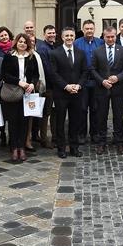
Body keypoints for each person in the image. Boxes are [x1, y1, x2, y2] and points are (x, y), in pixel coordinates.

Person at [90, 26, 123, 154]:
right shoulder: (97, 51)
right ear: (103, 37)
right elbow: (92, 69)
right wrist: (102, 81)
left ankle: (119, 141)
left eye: (112, 36)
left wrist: (118, 77)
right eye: (107, 37)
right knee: (101, 116)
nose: (110, 39)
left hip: (118, 89)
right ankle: (101, 142)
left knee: (118, 116)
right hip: (102, 89)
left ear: (116, 36)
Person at [49, 27, 88, 158]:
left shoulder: (81, 53)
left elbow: (85, 72)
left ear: (74, 37)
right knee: (60, 121)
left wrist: (79, 85)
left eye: (71, 35)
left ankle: (74, 147)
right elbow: (53, 74)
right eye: (67, 36)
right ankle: (61, 148)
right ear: (62, 37)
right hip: (61, 93)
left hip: (77, 93)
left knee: (75, 121)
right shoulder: (55, 53)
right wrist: (66, 86)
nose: (69, 38)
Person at [1, 33, 39, 162]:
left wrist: (32, 83)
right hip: (13, 92)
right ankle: (14, 148)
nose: (22, 44)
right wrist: (19, 82)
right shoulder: (9, 56)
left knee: (24, 122)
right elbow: (5, 75)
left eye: (24, 42)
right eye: (20, 41)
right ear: (16, 42)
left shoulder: (31, 57)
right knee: (13, 122)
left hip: (27, 94)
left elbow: (36, 74)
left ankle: (21, 147)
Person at [74, 20, 103, 145]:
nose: (89, 31)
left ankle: (95, 133)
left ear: (94, 29)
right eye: (87, 28)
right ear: (83, 29)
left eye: (91, 28)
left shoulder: (100, 42)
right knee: (82, 109)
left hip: (97, 82)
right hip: (83, 81)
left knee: (96, 109)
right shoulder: (77, 43)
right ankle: (81, 134)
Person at [36, 25, 59, 149]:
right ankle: (44, 139)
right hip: (49, 87)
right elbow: (47, 69)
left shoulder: (53, 46)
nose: (52, 35)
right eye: (49, 33)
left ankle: (54, 137)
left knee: (54, 112)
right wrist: (58, 81)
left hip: (55, 86)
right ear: (44, 34)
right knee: (46, 113)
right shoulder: (43, 49)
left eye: (53, 33)